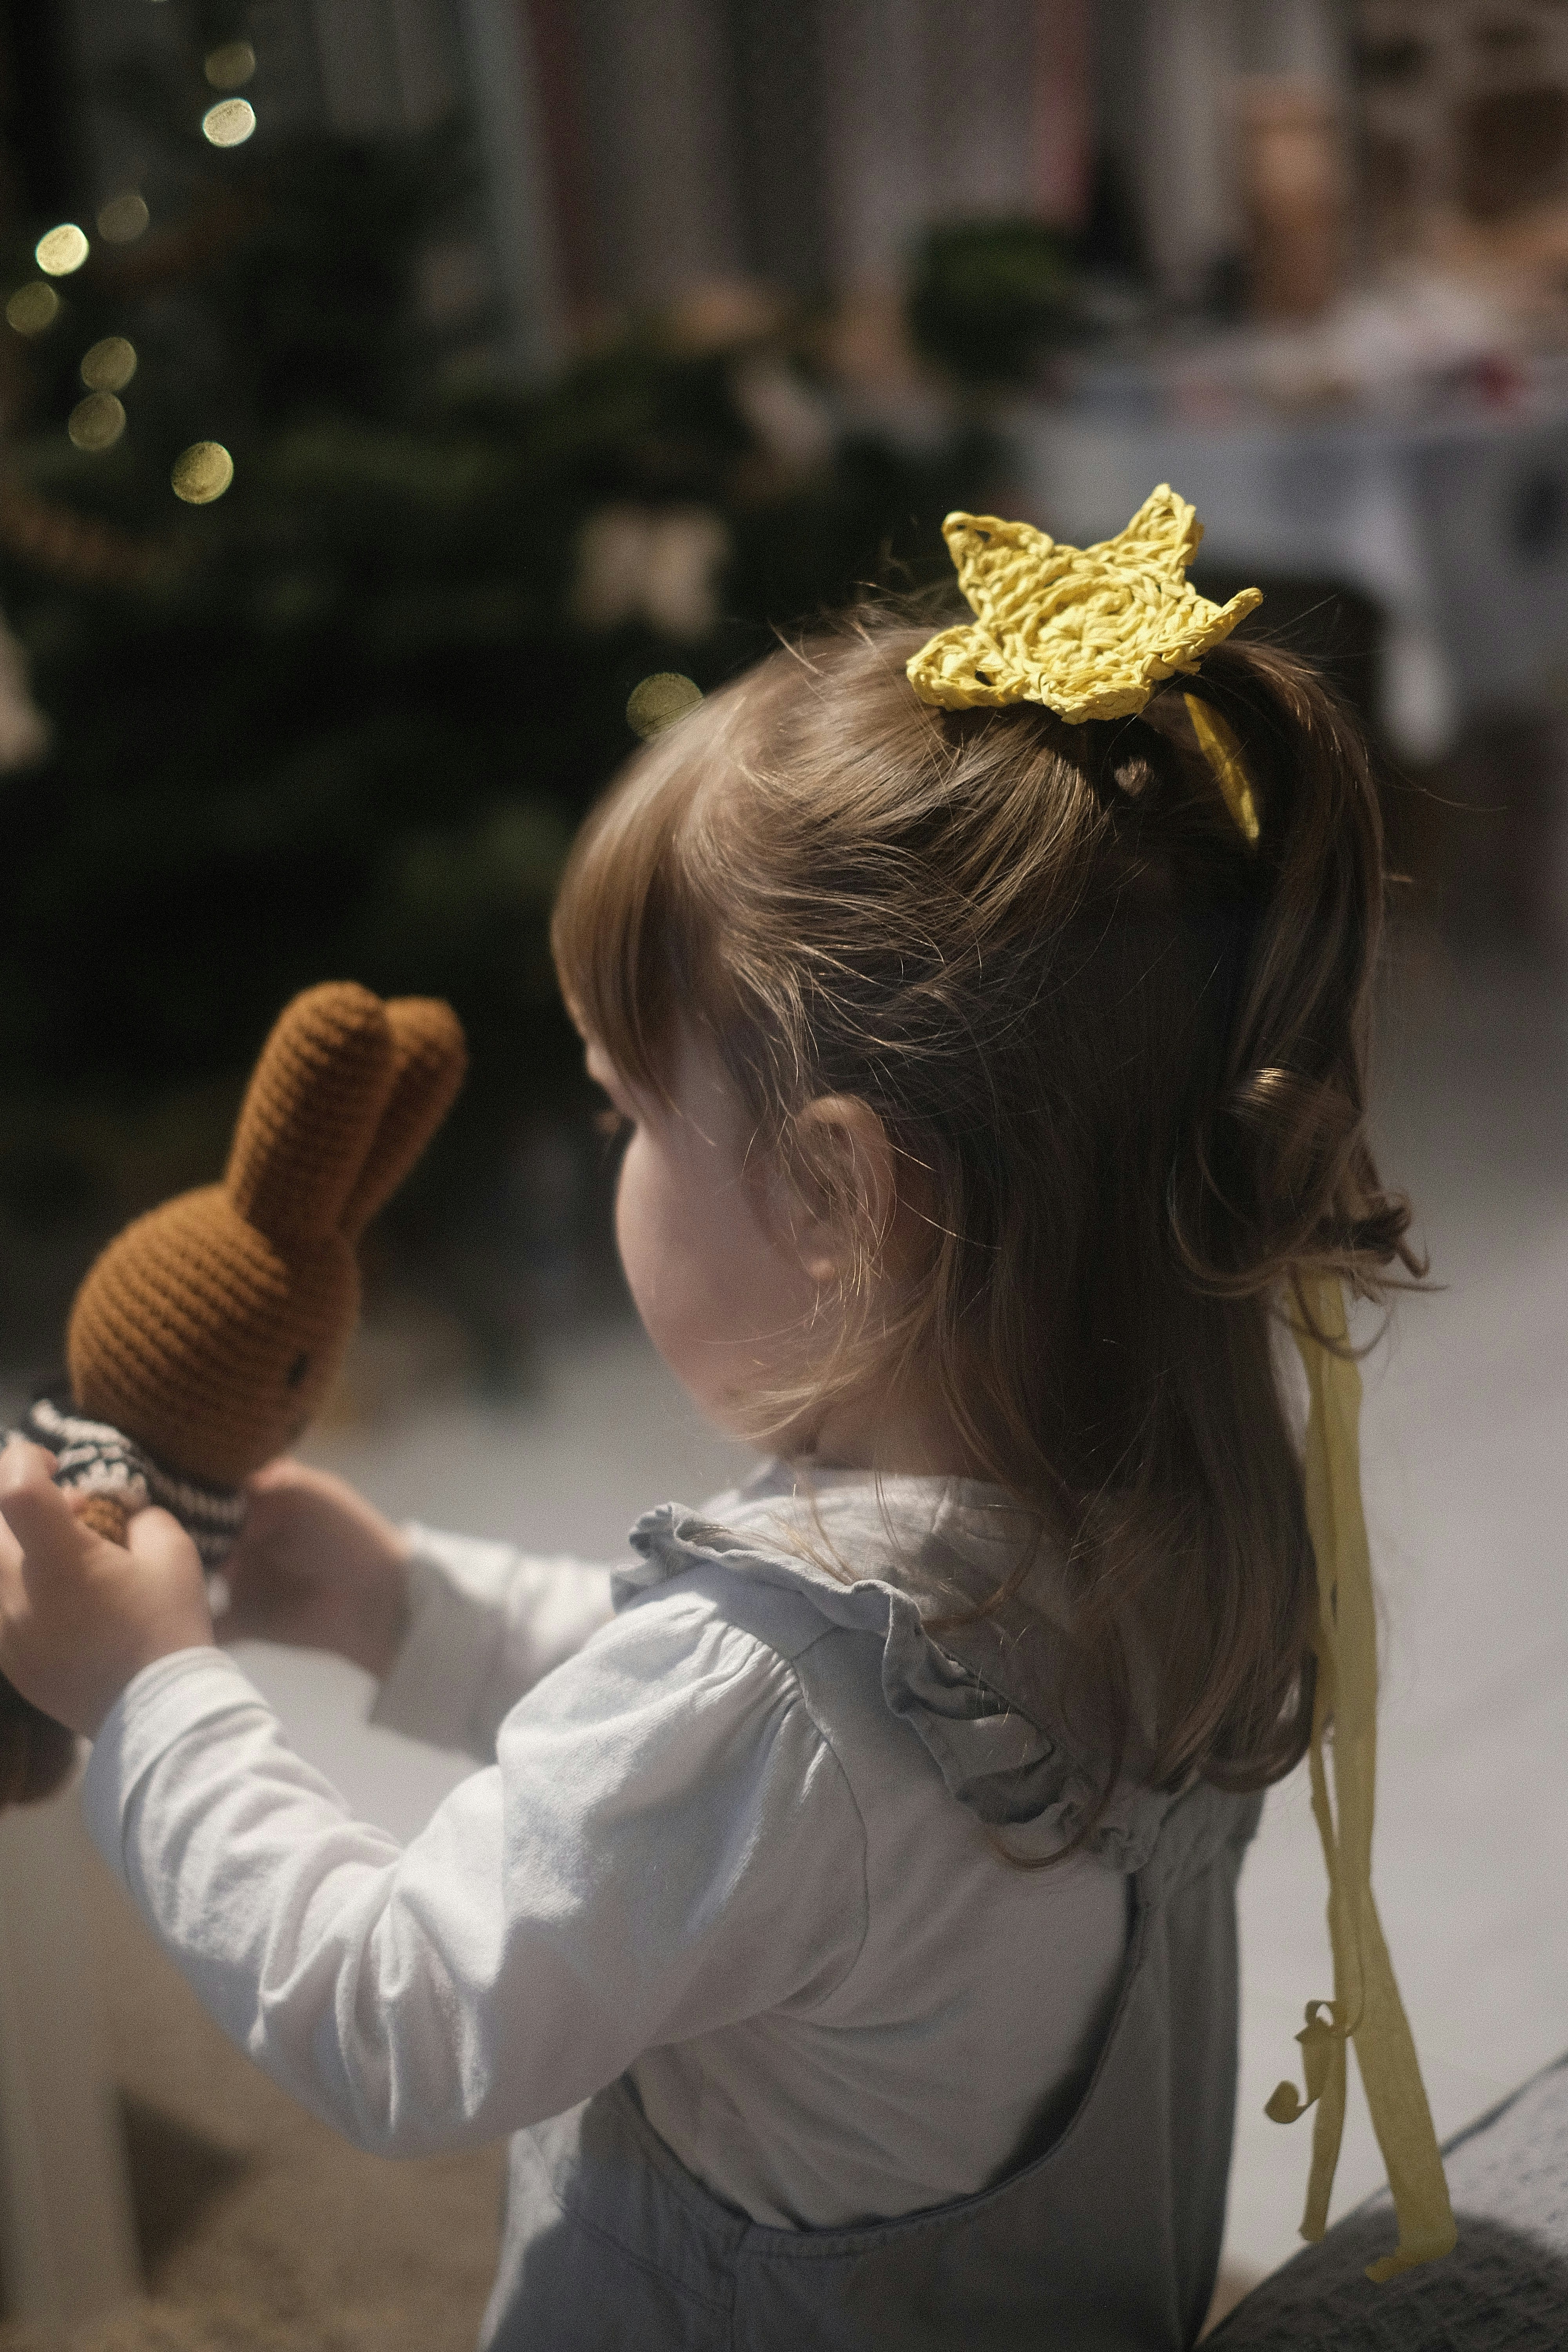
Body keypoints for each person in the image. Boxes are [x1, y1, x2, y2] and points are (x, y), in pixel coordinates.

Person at [0, 499, 1451, 2348]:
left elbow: (402, 2016)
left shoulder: (772, 1705)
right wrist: (395, 1606)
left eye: (622, 1115)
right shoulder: (1170, 1521)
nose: (606, 1158)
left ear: (840, 1204)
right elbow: (726, 1780)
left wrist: (141, 1697)